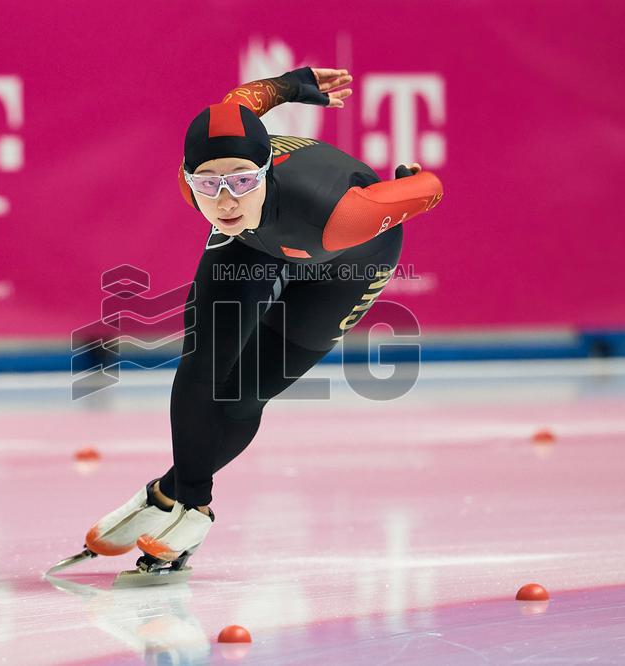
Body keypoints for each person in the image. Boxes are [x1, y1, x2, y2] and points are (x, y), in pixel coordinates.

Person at [83, 66, 443, 575]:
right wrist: (295, 83)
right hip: (253, 243)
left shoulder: (344, 214)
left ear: (267, 169)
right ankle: (189, 503)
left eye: (242, 180)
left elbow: (430, 189)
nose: (225, 200)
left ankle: (166, 493)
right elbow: (243, 100)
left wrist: (407, 181)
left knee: (245, 392)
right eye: (208, 183)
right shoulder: (206, 195)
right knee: (204, 364)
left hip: (346, 258)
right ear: (188, 177)